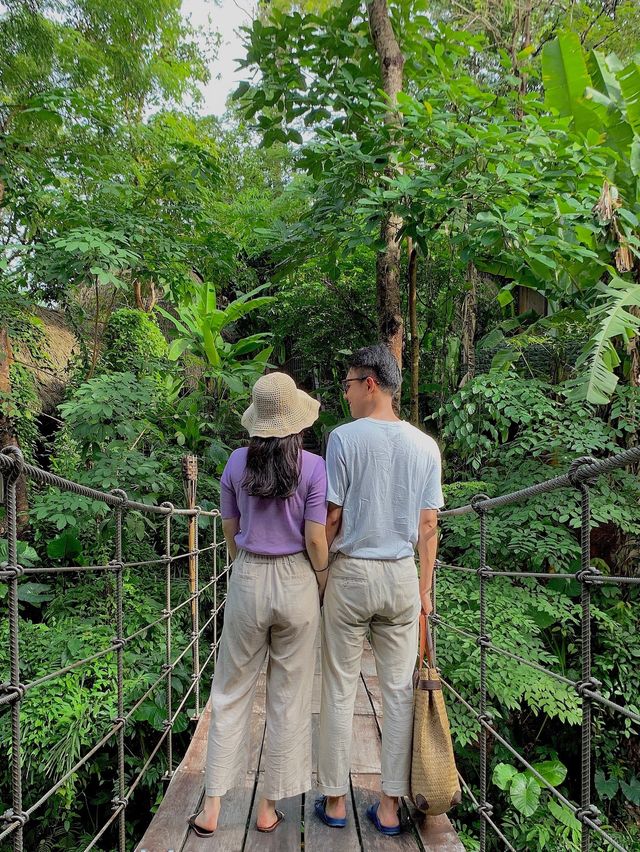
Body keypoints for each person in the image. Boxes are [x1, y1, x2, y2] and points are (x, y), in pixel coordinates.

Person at [189, 372, 328, 837]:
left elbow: (230, 529)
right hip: (297, 582)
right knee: (289, 698)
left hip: (248, 576)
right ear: (296, 421)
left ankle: (211, 807)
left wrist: (246, 561)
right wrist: (321, 578)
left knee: (230, 692)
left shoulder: (234, 463)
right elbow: (314, 538)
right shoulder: (313, 466)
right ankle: (267, 807)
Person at [315, 343, 443, 836]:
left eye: (347, 384)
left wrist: (319, 574)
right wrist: (425, 591)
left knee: (338, 688)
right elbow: (428, 524)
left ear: (370, 383)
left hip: (351, 574)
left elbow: (332, 515)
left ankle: (334, 801)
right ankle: (389, 809)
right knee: (397, 694)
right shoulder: (425, 446)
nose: (344, 394)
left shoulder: (344, 440)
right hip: (400, 576)